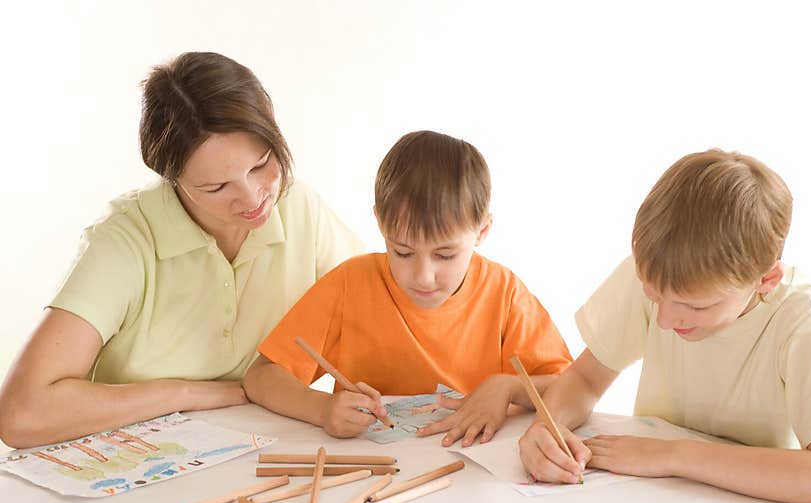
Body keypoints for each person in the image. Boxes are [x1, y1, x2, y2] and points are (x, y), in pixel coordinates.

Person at [0, 52, 363, 449]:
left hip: (264, 458)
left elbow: (385, 314)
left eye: (261, 164)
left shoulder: (298, 207)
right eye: (217, 187)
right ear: (171, 178)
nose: (253, 197)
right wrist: (187, 394)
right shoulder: (126, 239)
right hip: (137, 474)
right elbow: (22, 414)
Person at [518, 149, 811, 503]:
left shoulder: (808, 323)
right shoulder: (660, 271)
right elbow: (587, 379)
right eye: (653, 296)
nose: (666, 320)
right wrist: (548, 427)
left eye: (696, 306)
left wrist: (673, 456)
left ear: (766, 279)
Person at [243, 130, 571, 446]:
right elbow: (261, 377)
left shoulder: (504, 294)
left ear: (482, 230)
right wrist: (321, 409)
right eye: (402, 251)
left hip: (472, 480)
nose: (423, 276)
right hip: (374, 477)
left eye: (445, 254)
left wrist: (508, 388)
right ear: (380, 224)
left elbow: (570, 387)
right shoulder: (350, 284)